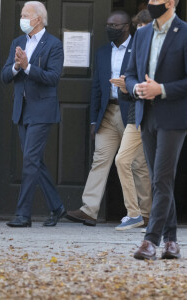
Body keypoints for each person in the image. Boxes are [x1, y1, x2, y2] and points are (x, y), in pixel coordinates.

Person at [125, 0, 187, 260]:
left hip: (173, 117)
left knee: (161, 178)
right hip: (146, 115)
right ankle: (171, 240)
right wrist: (136, 88)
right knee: (160, 180)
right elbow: (129, 74)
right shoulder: (141, 34)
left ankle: (150, 241)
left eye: (156, 0)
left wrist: (160, 89)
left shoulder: (184, 32)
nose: (151, 4)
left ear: (171, 3)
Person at [1, 1, 66, 227]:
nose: (22, 18)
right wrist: (17, 67)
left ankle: (23, 215)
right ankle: (57, 206)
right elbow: (5, 76)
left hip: (42, 110)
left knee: (30, 160)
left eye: (25, 15)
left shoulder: (54, 45)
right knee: (34, 160)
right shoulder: (18, 43)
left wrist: (28, 67)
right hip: (22, 110)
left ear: (37, 19)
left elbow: (53, 78)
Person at [66, 11, 132, 226]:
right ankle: (89, 210)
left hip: (130, 114)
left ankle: (143, 212)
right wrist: (94, 120)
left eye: (114, 25)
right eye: (108, 24)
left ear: (126, 27)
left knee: (136, 164)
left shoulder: (139, 50)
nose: (109, 28)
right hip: (107, 114)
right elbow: (96, 87)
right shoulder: (102, 52)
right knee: (100, 161)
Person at [110, 9, 153, 231]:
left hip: (155, 115)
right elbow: (132, 80)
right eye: (139, 30)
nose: (141, 34)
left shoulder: (159, 51)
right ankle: (136, 213)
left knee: (144, 166)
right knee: (124, 160)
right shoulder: (137, 49)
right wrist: (126, 86)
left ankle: (145, 214)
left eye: (144, 29)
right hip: (136, 114)